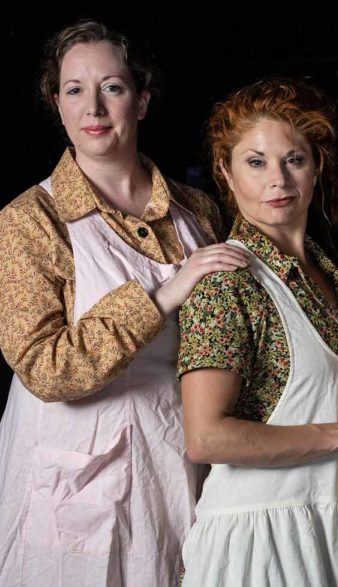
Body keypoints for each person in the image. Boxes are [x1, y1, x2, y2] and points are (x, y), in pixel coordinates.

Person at [0, 20, 249, 587]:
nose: (93, 106)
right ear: (56, 104)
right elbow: (45, 367)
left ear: (142, 99)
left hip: (179, 458)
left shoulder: (197, 211)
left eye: (111, 87)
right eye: (73, 89)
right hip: (73, 481)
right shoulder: (29, 221)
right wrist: (160, 297)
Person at [177, 78, 338, 587]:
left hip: (331, 523)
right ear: (226, 175)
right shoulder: (227, 282)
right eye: (255, 162)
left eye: (293, 159)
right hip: (258, 538)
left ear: (316, 167)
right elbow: (205, 436)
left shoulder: (335, 276)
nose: (277, 179)